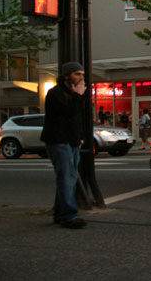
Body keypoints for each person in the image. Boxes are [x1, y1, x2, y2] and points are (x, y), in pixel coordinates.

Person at [41, 61, 87, 229]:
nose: (81, 77)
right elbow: (68, 113)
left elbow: (77, 119)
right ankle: (68, 215)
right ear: (66, 76)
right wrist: (78, 96)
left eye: (82, 74)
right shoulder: (55, 93)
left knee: (69, 178)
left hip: (72, 141)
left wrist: (80, 137)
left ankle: (61, 213)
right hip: (58, 140)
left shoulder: (73, 94)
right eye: (77, 74)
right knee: (66, 178)